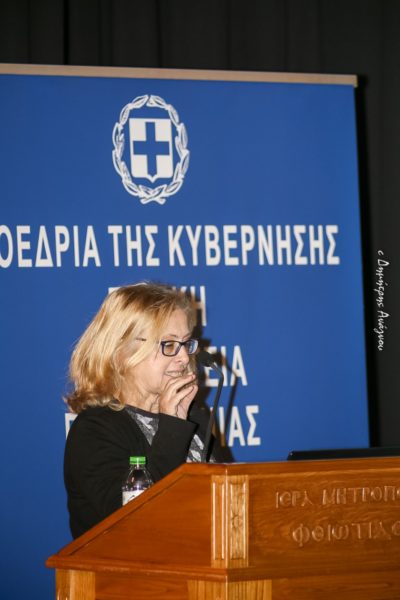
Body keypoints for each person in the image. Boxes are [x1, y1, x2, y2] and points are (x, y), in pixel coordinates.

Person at [64, 282, 224, 539]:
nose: (184, 358)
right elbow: (134, 517)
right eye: (168, 344)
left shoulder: (192, 416)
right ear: (122, 352)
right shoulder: (94, 430)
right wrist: (172, 427)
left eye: (186, 343)